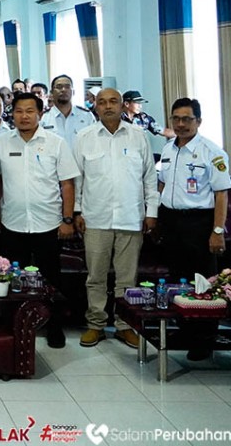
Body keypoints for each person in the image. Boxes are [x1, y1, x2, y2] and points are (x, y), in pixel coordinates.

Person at [0, 93, 79, 349]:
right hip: (13, 222)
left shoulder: (56, 143)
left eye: (30, 111)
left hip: (49, 223)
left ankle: (53, 326)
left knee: (50, 279)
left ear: (40, 114)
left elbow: (67, 183)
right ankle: (13, 325)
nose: (24, 116)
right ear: (13, 114)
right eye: (19, 111)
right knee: (11, 277)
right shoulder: (2, 143)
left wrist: (67, 218)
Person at [72, 89, 157, 349]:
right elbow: (77, 179)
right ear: (94, 107)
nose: (108, 106)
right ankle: (95, 324)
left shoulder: (139, 136)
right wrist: (77, 211)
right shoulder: (84, 137)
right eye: (102, 102)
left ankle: (124, 326)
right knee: (95, 277)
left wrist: (151, 212)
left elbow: (149, 178)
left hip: (131, 218)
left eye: (113, 101)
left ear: (122, 105)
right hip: (95, 218)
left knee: (127, 279)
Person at [155, 97, 229, 361]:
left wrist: (217, 231)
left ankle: (204, 338)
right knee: (179, 279)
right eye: (176, 118)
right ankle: (184, 329)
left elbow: (221, 194)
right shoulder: (167, 150)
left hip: (200, 223)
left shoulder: (213, 152)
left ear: (199, 121)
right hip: (172, 222)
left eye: (187, 119)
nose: (181, 124)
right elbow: (162, 185)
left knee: (203, 283)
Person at [40, 75, 95, 151]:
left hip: (80, 162)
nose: (63, 90)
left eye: (67, 87)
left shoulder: (86, 116)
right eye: (59, 87)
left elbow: (94, 143)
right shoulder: (43, 118)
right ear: (51, 93)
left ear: (73, 92)